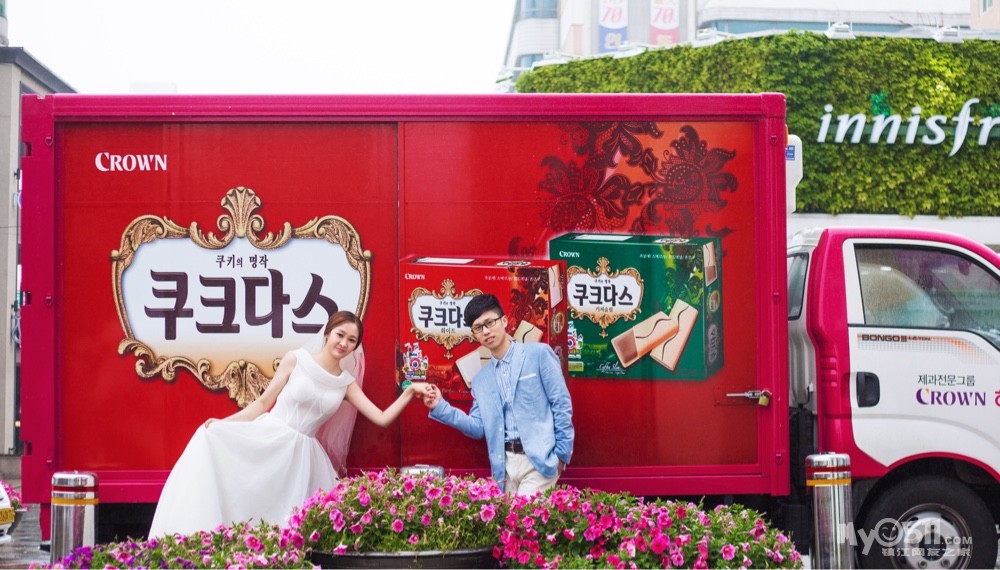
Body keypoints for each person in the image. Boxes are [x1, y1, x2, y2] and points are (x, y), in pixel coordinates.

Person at [148, 310, 434, 537]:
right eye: (340, 335)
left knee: (285, 525)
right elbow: (263, 403)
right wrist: (225, 424)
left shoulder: (345, 383)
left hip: (304, 458)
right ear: (327, 333)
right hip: (270, 438)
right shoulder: (296, 360)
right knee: (247, 503)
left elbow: (382, 418)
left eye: (352, 340)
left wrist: (410, 391)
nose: (344, 343)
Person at [423, 293, 574, 495]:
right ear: (474, 334)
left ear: (504, 321)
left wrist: (562, 455)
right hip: (504, 468)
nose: (486, 331)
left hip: (540, 461)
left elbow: (561, 403)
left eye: (490, 323)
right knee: (509, 517)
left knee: (524, 514)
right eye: (478, 328)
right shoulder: (480, 380)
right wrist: (441, 407)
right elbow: (477, 427)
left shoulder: (538, 354)